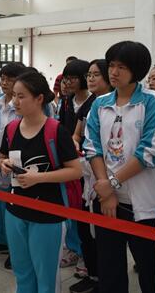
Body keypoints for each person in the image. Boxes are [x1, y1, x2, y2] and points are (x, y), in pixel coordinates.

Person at [84, 41, 155, 293]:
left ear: (137, 70)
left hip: (143, 203)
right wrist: (106, 190)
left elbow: (148, 151)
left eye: (122, 67)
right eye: (111, 65)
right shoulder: (99, 104)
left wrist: (110, 184)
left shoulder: (152, 101)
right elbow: (92, 148)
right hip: (106, 200)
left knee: (150, 268)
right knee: (110, 269)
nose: (114, 72)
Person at [0, 71, 82, 293]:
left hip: (48, 213)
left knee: (45, 277)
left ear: (39, 98)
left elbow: (75, 171)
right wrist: (4, 164)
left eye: (21, 96)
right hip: (15, 210)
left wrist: (39, 178)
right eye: (14, 96)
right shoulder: (11, 129)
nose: (15, 102)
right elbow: (1, 157)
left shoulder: (56, 131)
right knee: (22, 272)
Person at [69, 59, 112, 293]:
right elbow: (77, 135)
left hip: (106, 175)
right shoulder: (89, 104)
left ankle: (105, 279)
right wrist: (75, 144)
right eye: (89, 75)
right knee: (85, 229)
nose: (91, 79)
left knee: (105, 237)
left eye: (96, 74)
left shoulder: (114, 105)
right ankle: (93, 275)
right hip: (85, 171)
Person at [0, 62, 28, 270]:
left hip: (16, 163)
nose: (4, 82)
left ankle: (15, 249)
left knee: (14, 211)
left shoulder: (23, 105)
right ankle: (1, 240)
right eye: (2, 78)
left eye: (10, 79)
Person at [57, 59, 90, 270]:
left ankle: (85, 253)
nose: (67, 83)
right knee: (70, 205)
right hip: (68, 159)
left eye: (72, 78)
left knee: (83, 209)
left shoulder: (94, 102)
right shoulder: (67, 101)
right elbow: (61, 128)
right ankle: (73, 248)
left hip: (87, 161)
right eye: (65, 78)